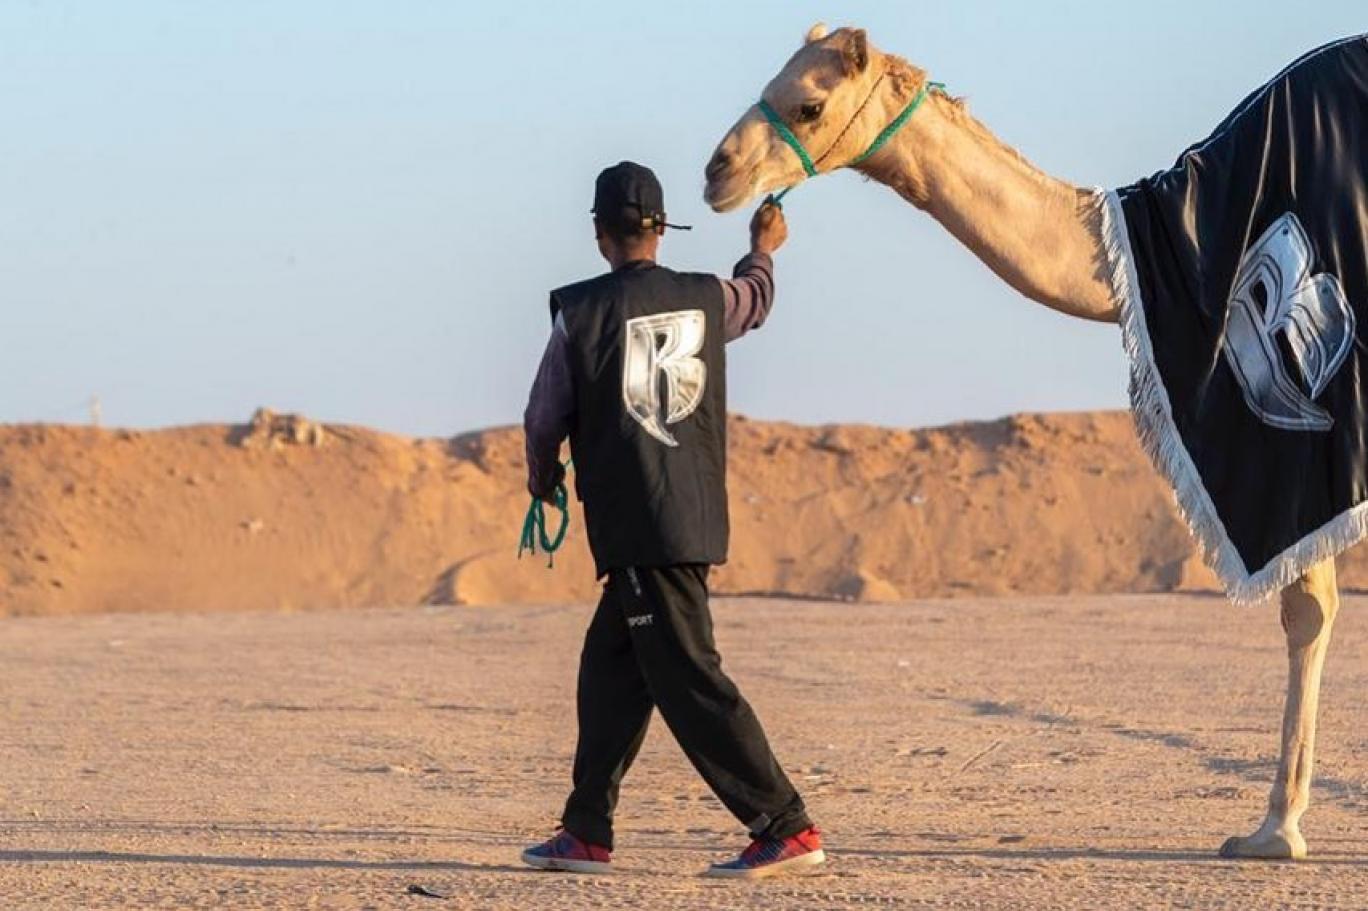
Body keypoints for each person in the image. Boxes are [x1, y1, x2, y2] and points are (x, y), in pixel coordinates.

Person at [519, 161, 823, 879]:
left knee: (689, 678)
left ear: (600, 234)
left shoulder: (579, 312)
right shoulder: (707, 298)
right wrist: (763, 246)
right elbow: (756, 297)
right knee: (608, 672)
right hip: (688, 519)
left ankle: (785, 824)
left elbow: (542, 415)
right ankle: (585, 830)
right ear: (661, 231)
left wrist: (543, 477)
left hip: (639, 526)